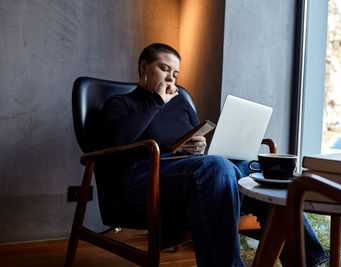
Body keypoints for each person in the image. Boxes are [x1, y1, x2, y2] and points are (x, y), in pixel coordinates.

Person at [100, 43, 327, 266]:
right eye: (164, 69)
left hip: (189, 172)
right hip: (143, 176)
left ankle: (308, 260)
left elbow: (193, 140)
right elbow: (118, 141)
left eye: (176, 73)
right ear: (143, 66)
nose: (171, 78)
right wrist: (157, 101)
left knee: (257, 168)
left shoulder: (180, 103)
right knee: (216, 167)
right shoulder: (121, 103)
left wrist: (198, 147)